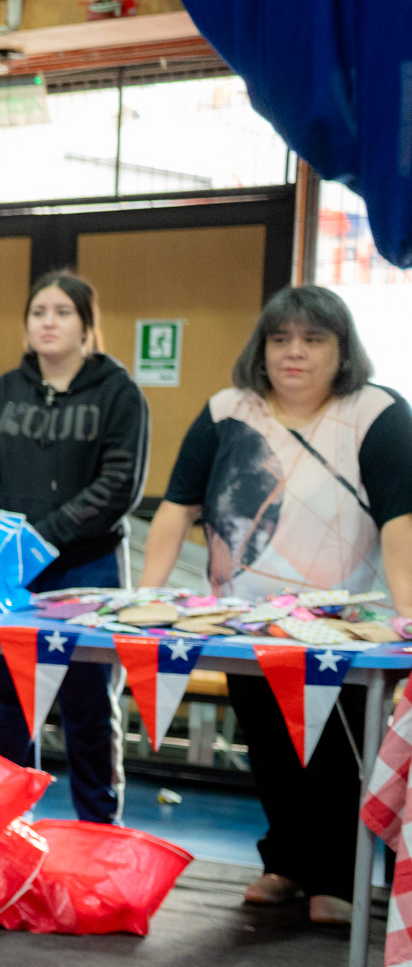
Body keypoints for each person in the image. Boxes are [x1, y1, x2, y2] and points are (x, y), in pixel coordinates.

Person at [140, 286, 412, 923]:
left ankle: (337, 881)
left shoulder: (378, 414)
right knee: (268, 747)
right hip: (242, 623)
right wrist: (145, 603)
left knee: (335, 756)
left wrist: (408, 623)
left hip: (346, 632)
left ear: (342, 351)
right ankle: (285, 863)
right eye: (281, 339)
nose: (295, 353)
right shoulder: (226, 410)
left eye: (313, 340)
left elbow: (401, 526)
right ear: (260, 349)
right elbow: (176, 509)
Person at [0, 271, 148, 824]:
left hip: (87, 569)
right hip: (9, 567)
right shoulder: (2, 391)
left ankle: (100, 829)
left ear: (87, 326)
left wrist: (44, 535)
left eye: (63, 312)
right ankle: (9, 832)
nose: (49, 322)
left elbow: (120, 484)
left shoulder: (118, 393)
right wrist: (3, 528)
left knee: (87, 708)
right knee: (7, 708)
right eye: (39, 312)